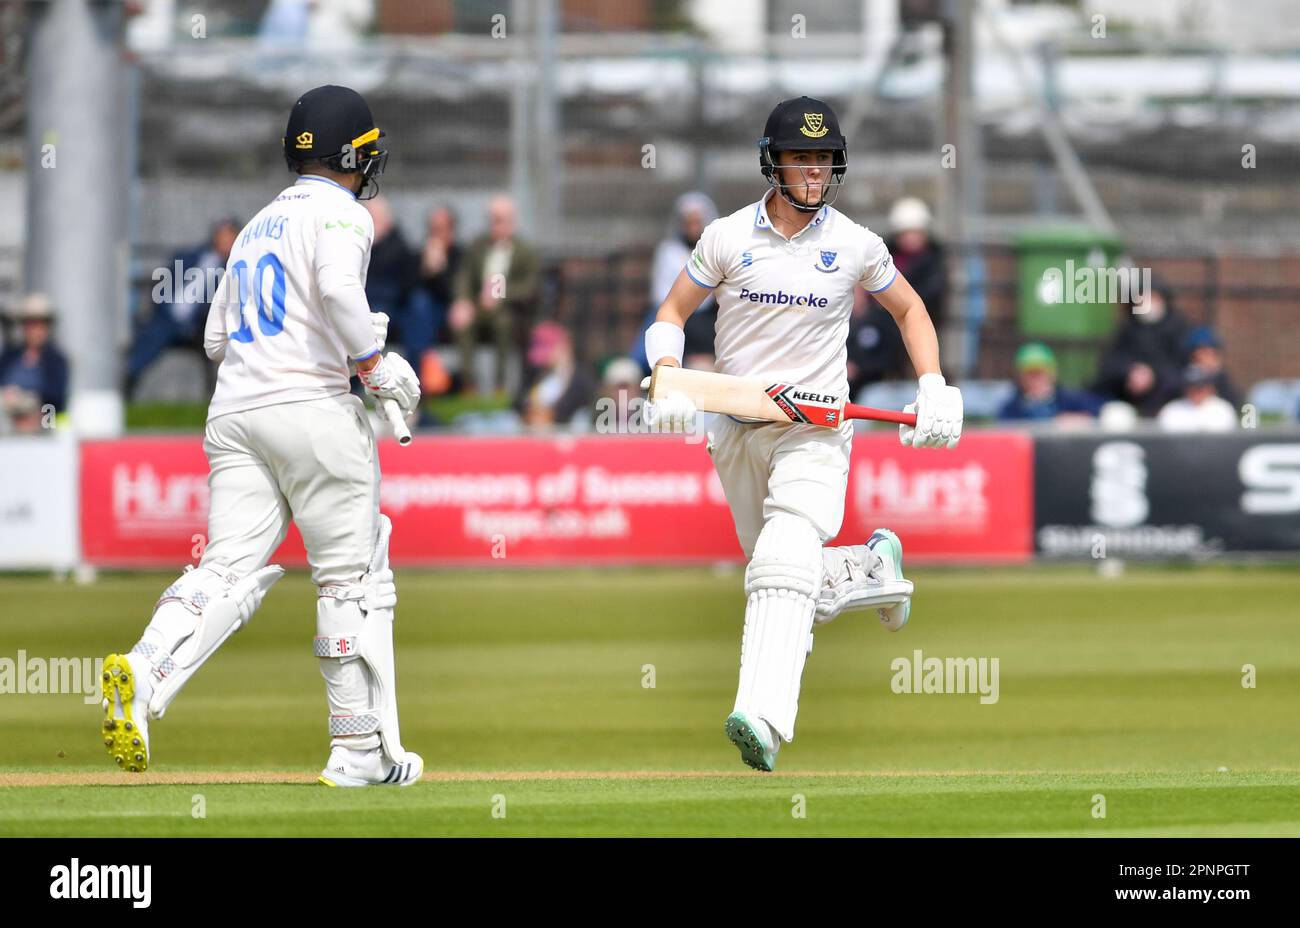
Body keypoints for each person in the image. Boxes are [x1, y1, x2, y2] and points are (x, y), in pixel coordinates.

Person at [99, 85, 424, 788]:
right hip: (312, 411)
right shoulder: (345, 215)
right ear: (351, 156)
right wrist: (372, 363)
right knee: (350, 581)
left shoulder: (255, 226)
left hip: (235, 413)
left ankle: (146, 671)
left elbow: (217, 337)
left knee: (225, 569)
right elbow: (340, 293)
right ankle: (358, 752)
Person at [642, 97, 963, 772]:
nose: (814, 174)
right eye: (801, 159)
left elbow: (911, 312)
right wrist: (666, 371)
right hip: (736, 425)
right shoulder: (727, 237)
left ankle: (762, 720)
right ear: (773, 161)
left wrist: (933, 384)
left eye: (823, 160)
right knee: (778, 576)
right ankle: (872, 567)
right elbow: (671, 311)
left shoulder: (856, 244)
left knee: (784, 559)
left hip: (817, 429)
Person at [127, 218, 239, 395]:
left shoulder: (233, 268)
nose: (225, 241)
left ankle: (130, 375)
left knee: (160, 331)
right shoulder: (190, 256)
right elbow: (163, 284)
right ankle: (130, 376)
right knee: (155, 331)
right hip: (168, 316)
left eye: (229, 237)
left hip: (199, 325)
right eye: (222, 236)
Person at [449, 195, 540, 392]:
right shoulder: (478, 246)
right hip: (479, 305)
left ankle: (500, 384)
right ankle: (468, 383)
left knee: (503, 323)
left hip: (510, 311)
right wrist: (462, 301)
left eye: (499, 220)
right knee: (464, 324)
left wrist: (500, 293)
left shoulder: (525, 251)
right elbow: (464, 275)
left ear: (511, 221)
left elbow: (530, 286)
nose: (494, 225)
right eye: (491, 219)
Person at [632, 192, 719, 373]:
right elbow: (661, 295)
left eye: (697, 222)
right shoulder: (668, 252)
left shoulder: (715, 250)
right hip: (677, 313)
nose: (693, 228)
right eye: (689, 222)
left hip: (706, 320)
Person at [1093, 279, 1190, 417]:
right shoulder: (1126, 331)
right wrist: (1130, 373)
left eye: (1153, 298)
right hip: (1127, 402)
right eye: (1142, 299)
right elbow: (1108, 367)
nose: (1147, 303)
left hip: (1169, 403)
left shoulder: (1180, 330)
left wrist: (1153, 376)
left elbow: (1184, 370)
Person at [0, 293, 69, 420]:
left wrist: (27, 401)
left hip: (41, 429)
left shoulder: (55, 361)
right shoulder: (9, 358)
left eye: (42, 325)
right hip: (7, 429)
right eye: (32, 324)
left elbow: (55, 401)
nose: (37, 331)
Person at [516, 321, 594, 430]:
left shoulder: (581, 378)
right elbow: (520, 402)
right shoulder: (536, 373)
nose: (543, 361)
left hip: (565, 432)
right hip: (536, 429)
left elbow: (579, 404)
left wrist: (563, 374)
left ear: (564, 347)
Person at [884, 197, 947, 329]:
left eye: (914, 233)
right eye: (904, 233)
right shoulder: (885, 255)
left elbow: (929, 296)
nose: (909, 238)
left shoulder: (933, 260)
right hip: (886, 328)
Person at [998, 342, 1102, 422]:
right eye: (1030, 374)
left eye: (1040, 373)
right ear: (1020, 377)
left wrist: (1073, 419)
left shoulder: (1071, 399)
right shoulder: (1011, 408)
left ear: (1052, 374)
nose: (1036, 380)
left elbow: (1099, 413)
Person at [1157, 364, 1238, 432]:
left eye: (1200, 387)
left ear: (1210, 387)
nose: (1196, 391)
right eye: (1192, 387)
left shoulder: (1223, 409)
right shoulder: (1171, 410)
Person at [1183, 326, 1241, 410]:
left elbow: (1237, 403)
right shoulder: (1180, 379)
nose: (1208, 359)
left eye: (1214, 354)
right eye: (1204, 353)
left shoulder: (1224, 381)